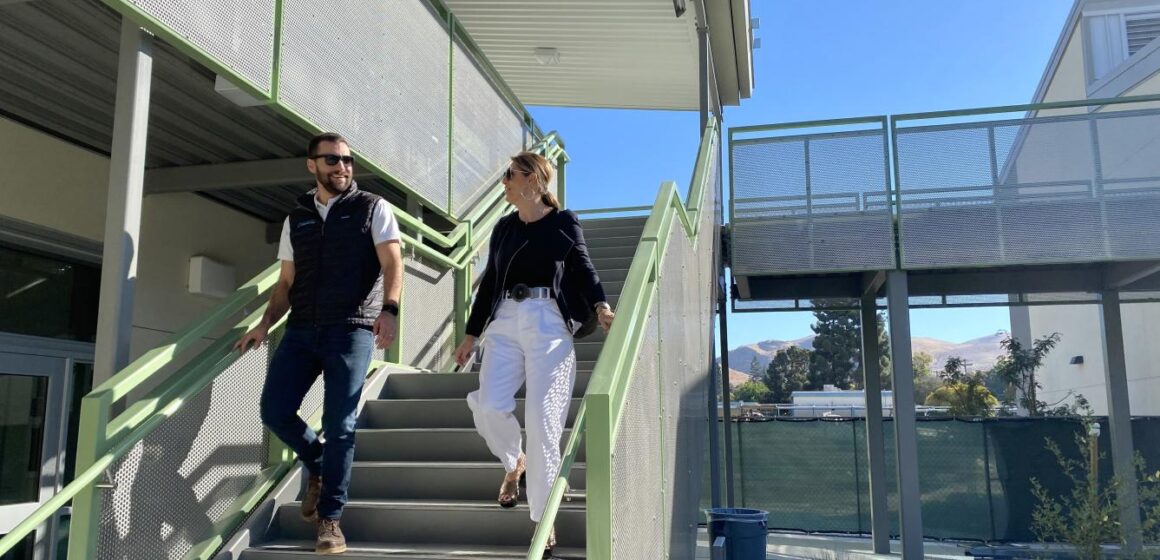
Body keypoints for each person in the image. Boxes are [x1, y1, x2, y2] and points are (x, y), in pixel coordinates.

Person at [235, 132, 403, 555]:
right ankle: (317, 463)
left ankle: (330, 520)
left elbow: (392, 261)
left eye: (347, 160)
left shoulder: (372, 208)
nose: (342, 167)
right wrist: (265, 323)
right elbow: (286, 281)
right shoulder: (297, 218)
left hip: (351, 329)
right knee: (273, 409)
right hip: (302, 328)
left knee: (341, 425)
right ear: (312, 165)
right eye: (332, 160)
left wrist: (391, 310)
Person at [453, 151, 614, 555]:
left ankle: (544, 522)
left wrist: (600, 305)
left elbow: (582, 265)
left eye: (510, 174)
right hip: (505, 320)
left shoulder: (563, 222)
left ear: (533, 180)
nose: (504, 181)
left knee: (543, 423)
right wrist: (472, 334)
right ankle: (514, 463)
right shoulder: (504, 228)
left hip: (548, 324)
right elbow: (490, 282)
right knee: (489, 407)